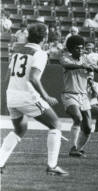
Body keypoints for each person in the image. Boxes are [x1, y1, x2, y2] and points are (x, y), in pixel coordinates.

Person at [0, 23, 68, 176]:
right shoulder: (40, 53)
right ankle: (52, 166)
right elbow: (34, 78)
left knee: (20, 129)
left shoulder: (17, 51)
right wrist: (45, 96)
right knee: (56, 124)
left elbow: (6, 77)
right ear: (44, 38)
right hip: (27, 96)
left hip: (11, 95)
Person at [60, 35, 98, 157]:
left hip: (83, 96)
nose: (81, 50)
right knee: (78, 118)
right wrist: (83, 66)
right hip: (69, 94)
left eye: (82, 48)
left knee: (88, 128)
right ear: (71, 49)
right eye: (78, 48)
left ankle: (77, 149)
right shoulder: (65, 58)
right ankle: (73, 148)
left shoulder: (85, 58)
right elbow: (67, 66)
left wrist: (93, 66)